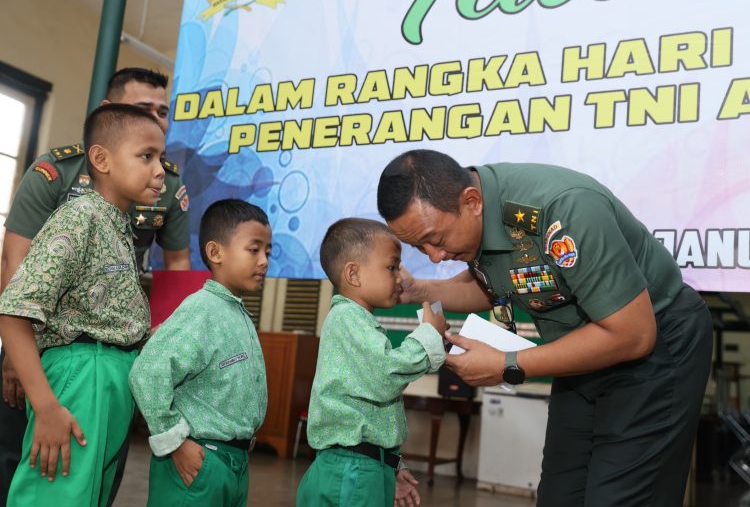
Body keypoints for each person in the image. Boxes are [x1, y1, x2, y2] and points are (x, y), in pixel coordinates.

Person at [376, 149, 712, 507]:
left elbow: (633, 335)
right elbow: (500, 282)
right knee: (559, 496)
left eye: (437, 240)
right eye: (419, 247)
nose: (434, 256)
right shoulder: (476, 219)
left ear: (471, 201)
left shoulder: (561, 210)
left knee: (619, 498)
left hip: (655, 348)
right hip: (583, 355)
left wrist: (507, 363)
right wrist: (420, 291)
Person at [0, 67, 190, 504]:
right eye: (146, 157)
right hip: (81, 371)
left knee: (90, 494)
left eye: (161, 158)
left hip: (113, 373)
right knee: (57, 494)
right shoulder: (80, 215)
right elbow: (15, 306)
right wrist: (46, 405)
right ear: (101, 159)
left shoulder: (117, 223)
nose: (160, 171)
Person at [296, 217, 449, 507]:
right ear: (353, 274)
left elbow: (372, 413)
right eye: (391, 267)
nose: (400, 278)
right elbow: (385, 377)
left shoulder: (359, 321)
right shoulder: (347, 318)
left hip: (362, 466)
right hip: (351, 470)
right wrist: (428, 334)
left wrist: (391, 464)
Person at [129, 199, 270, 507]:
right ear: (215, 252)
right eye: (254, 249)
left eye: (268, 252)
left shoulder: (236, 312)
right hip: (200, 460)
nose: (263, 261)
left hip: (233, 463)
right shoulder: (200, 309)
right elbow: (147, 373)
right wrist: (174, 442)